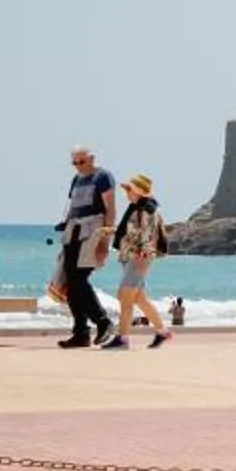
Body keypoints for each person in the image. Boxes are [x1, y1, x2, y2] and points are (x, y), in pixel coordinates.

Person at [58, 146, 119, 350]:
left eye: (82, 162)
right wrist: (64, 224)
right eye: (74, 163)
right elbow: (71, 205)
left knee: (79, 279)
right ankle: (81, 333)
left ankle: (103, 322)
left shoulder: (103, 176)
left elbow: (110, 208)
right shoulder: (76, 180)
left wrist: (104, 242)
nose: (78, 166)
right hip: (73, 231)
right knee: (70, 282)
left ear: (92, 158)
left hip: (92, 231)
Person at [108, 175, 171, 348]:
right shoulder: (136, 208)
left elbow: (147, 234)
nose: (127, 193)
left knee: (124, 296)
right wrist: (112, 231)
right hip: (131, 257)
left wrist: (143, 254)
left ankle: (122, 339)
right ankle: (162, 332)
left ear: (139, 191)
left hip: (139, 258)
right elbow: (133, 231)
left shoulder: (146, 209)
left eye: (129, 189)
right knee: (139, 299)